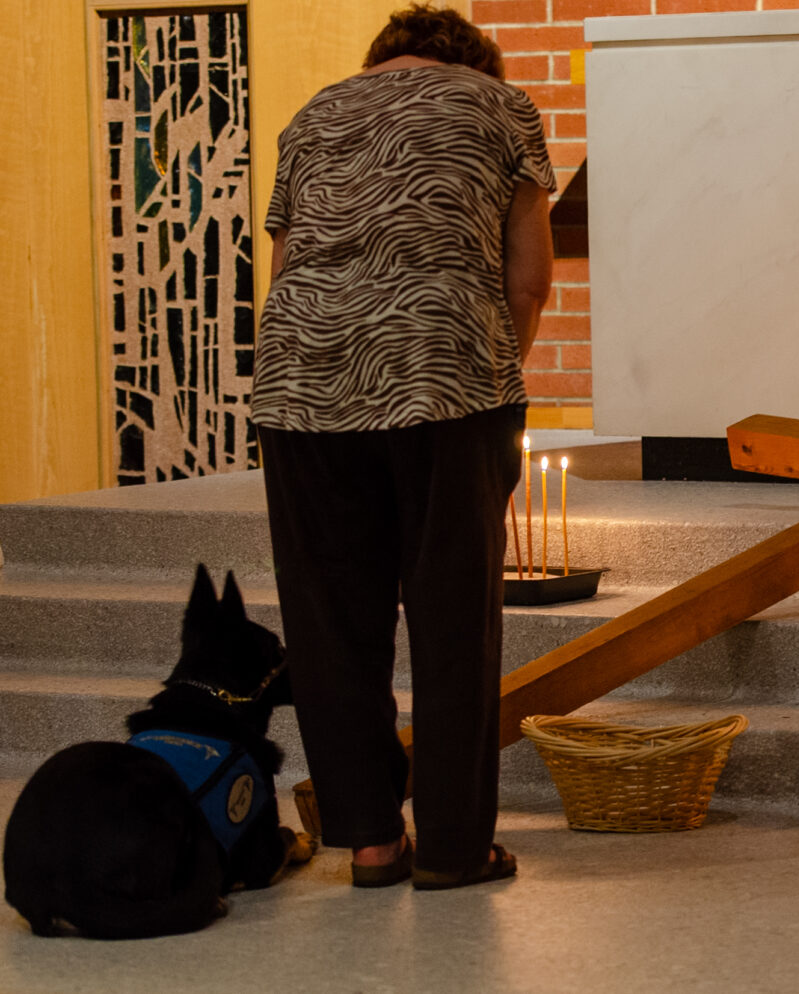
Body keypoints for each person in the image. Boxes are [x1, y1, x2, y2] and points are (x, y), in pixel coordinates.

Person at [250, 3, 554, 890]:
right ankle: (455, 850)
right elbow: (529, 279)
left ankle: (371, 843)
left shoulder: (312, 113)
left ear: (383, 57)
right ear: (474, 61)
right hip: (441, 371)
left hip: (300, 384)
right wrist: (493, 377)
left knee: (330, 621)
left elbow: (284, 270)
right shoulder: (501, 105)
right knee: (453, 618)